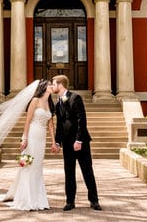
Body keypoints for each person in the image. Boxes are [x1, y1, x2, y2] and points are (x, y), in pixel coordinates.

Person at [1, 79, 55, 210]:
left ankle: (39, 199)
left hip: (42, 137)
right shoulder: (35, 100)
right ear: (43, 87)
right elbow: (28, 120)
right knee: (28, 165)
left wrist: (53, 141)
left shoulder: (50, 103)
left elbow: (51, 124)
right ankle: (26, 199)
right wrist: (24, 138)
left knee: (37, 167)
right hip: (31, 135)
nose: (52, 86)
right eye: (50, 85)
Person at [51, 74, 101, 211]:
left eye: (54, 84)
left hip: (81, 143)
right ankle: (70, 201)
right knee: (69, 173)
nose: (52, 86)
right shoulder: (58, 103)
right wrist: (57, 142)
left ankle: (94, 200)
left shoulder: (75, 98)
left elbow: (82, 120)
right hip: (67, 144)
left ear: (60, 85)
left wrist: (79, 140)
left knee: (87, 172)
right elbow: (59, 126)